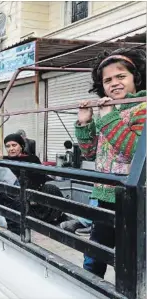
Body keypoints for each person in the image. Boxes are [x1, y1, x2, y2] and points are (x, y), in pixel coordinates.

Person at [75, 48, 146, 278]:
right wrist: (85, 123)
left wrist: (107, 116)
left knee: (128, 261)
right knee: (94, 256)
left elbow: (135, 151)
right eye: (107, 80)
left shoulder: (142, 107)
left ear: (135, 77)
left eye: (121, 76)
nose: (114, 83)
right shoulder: (110, 110)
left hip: (134, 198)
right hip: (105, 197)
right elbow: (90, 153)